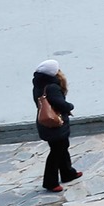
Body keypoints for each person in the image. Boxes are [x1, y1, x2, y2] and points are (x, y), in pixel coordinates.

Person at [31, 60, 80, 193]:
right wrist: (70, 106)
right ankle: (50, 182)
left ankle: (68, 173)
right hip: (56, 124)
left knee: (62, 148)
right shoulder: (52, 87)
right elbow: (61, 104)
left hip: (46, 123)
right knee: (57, 152)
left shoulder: (39, 85)